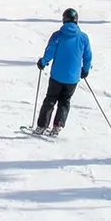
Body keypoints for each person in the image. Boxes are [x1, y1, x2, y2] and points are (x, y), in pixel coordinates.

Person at [34, 7, 92, 136]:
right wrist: (85, 70)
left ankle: (41, 126)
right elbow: (87, 56)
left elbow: (50, 52)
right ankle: (57, 127)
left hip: (57, 76)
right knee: (65, 101)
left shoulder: (58, 35)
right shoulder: (83, 38)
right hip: (73, 78)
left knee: (50, 99)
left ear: (64, 19)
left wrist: (42, 62)